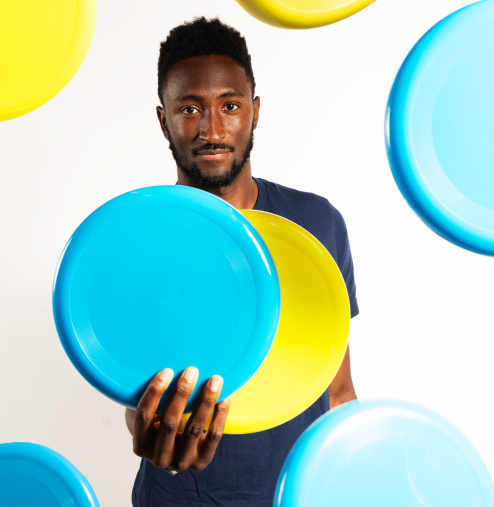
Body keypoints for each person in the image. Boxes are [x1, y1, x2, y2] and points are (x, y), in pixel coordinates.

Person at [125, 17, 360, 506]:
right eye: (190, 108)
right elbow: (135, 391)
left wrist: (356, 473)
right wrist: (148, 432)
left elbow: (337, 390)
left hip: (298, 494)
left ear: (254, 112)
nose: (212, 129)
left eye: (229, 105)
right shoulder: (138, 239)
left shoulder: (315, 224)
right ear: (163, 119)